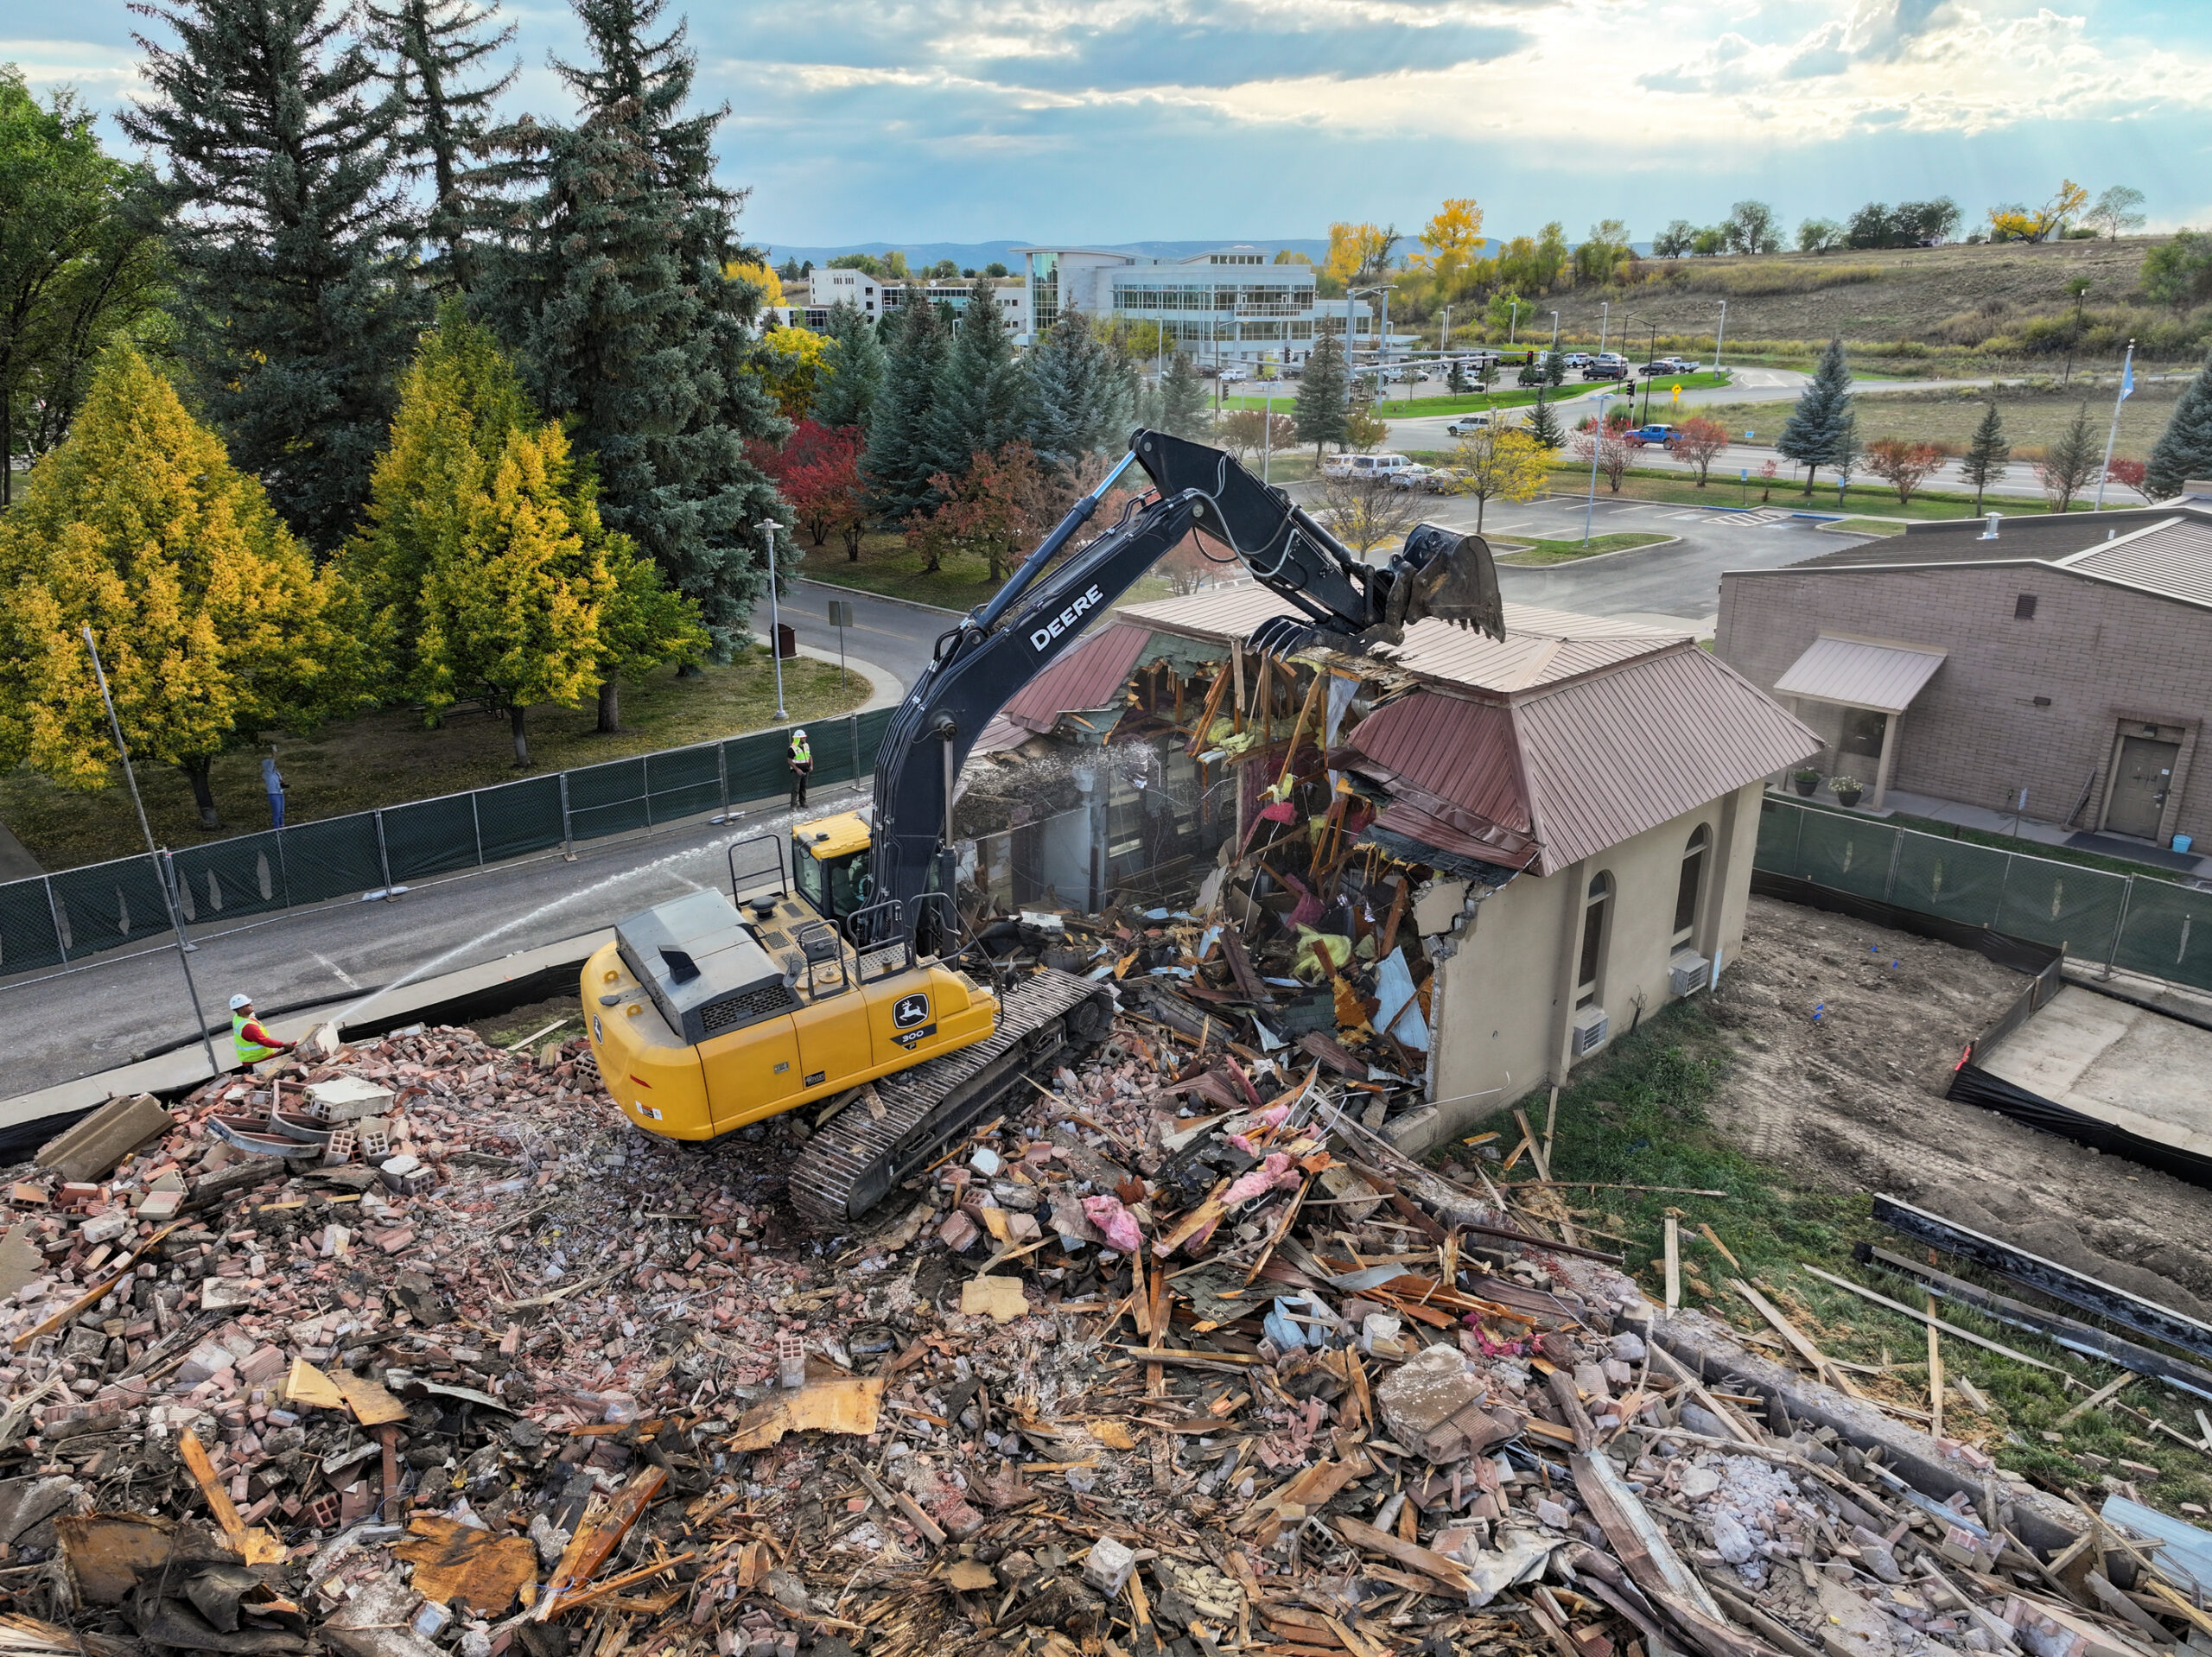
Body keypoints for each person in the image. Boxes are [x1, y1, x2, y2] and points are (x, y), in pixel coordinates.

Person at [229, 993, 297, 1066]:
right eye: (247, 1005)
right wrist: (283, 1045)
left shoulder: (238, 1017)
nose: (251, 1005)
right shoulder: (248, 1027)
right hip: (258, 1061)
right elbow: (264, 1041)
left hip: (253, 1058)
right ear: (240, 1010)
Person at [787, 727, 813, 809]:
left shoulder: (806, 746)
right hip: (796, 772)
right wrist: (797, 769)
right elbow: (789, 760)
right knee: (795, 789)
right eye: (803, 737)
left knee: (803, 787)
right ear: (799, 738)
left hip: (806, 770)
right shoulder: (792, 749)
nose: (805, 738)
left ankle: (803, 802)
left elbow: (809, 756)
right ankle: (793, 805)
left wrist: (811, 765)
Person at [261, 752, 287, 828]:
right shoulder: (267, 774)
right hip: (273, 794)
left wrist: (283, 785)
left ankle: (282, 827)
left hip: (280, 793)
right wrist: (273, 754)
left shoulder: (277, 773)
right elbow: (271, 764)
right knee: (277, 813)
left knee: (282, 812)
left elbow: (280, 782)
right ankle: (277, 830)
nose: (274, 765)